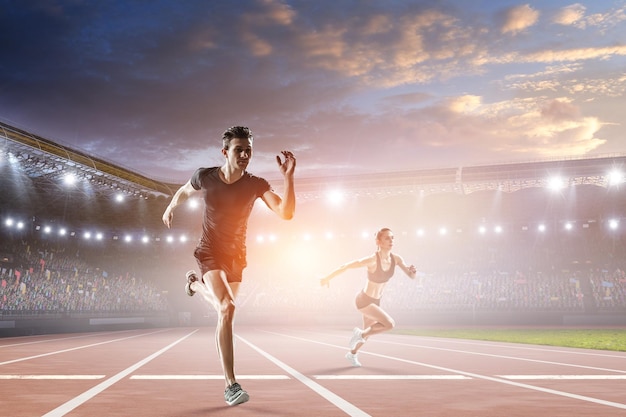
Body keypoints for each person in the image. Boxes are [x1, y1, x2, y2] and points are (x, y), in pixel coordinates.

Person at [162, 126, 296, 406]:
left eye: (249, 150)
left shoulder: (256, 184)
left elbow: (286, 213)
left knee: (226, 311)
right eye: (239, 150)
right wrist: (171, 206)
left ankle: (194, 287)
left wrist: (288, 179)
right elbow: (184, 191)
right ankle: (231, 385)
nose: (245, 154)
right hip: (210, 251)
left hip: (237, 256)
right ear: (225, 152)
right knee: (227, 307)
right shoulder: (205, 176)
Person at [320, 228, 417, 367]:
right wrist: (327, 277)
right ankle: (360, 334)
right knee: (389, 324)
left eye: (392, 238)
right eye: (387, 238)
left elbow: (411, 276)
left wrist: (413, 272)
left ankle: (352, 354)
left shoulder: (396, 259)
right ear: (379, 242)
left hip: (376, 301)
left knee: (369, 333)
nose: (391, 241)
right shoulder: (372, 260)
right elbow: (346, 266)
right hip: (364, 300)